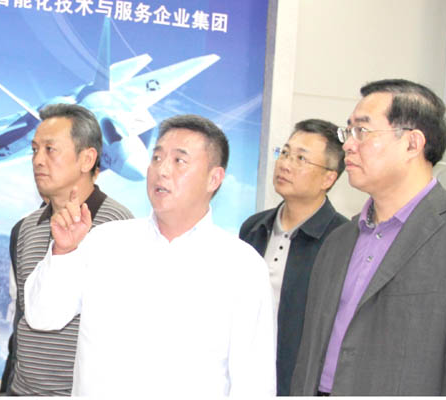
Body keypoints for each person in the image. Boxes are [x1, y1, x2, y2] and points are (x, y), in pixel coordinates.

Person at [23, 114, 276, 396]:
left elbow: (254, 383)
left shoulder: (241, 267)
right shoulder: (105, 242)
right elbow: (42, 316)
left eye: (179, 161)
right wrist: (63, 252)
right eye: (157, 157)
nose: (162, 170)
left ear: (214, 178)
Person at [291, 79, 446, 396]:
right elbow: (309, 357)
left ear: (412, 143)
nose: (348, 145)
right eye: (347, 131)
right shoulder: (339, 240)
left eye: (362, 131)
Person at [0, 104, 133, 396]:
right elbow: (20, 320)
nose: (38, 160)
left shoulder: (120, 227)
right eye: (34, 150)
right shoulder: (25, 229)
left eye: (50, 149)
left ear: (87, 159)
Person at [239, 119, 347, 395]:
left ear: (328, 178)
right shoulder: (253, 228)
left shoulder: (344, 240)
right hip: (248, 381)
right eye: (284, 153)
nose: (285, 164)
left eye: (301, 159)